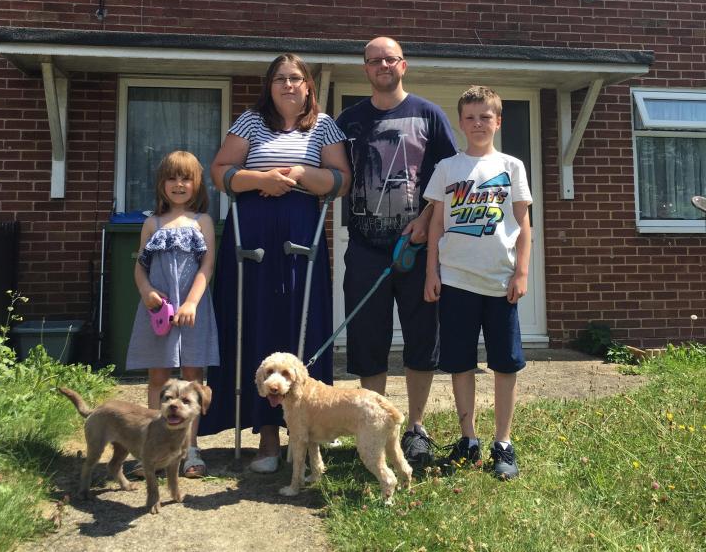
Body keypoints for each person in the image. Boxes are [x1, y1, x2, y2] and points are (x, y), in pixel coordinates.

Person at [201, 53, 351, 472]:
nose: (288, 85)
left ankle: (310, 431)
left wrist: (302, 173)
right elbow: (221, 172)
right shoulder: (250, 122)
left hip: (301, 231)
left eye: (296, 78)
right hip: (253, 233)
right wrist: (262, 180)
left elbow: (340, 180)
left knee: (301, 323)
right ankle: (267, 436)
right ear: (270, 86)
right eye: (280, 79)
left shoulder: (324, 126)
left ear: (308, 86)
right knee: (257, 323)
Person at [336, 36, 457, 469]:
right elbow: (334, 174)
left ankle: (416, 429)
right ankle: (374, 426)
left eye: (390, 58)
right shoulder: (347, 120)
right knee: (369, 343)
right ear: (365, 69)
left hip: (418, 250)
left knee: (422, 339)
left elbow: (449, 180)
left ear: (403, 65)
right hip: (366, 250)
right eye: (374, 60)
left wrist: (426, 221)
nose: (383, 65)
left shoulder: (429, 114)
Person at [424, 85, 532, 479]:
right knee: (460, 363)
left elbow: (523, 225)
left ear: (498, 121)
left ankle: (502, 443)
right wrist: (431, 271)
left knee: (505, 364)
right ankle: (468, 440)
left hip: (500, 283)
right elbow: (436, 224)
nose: (477, 123)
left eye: (485, 116)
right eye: (470, 117)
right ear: (460, 123)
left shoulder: (512, 167)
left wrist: (521, 272)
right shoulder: (448, 169)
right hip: (455, 281)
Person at [126, 150, 219, 478]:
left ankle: (189, 448)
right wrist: (147, 292)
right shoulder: (152, 223)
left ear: (197, 184)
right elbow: (141, 268)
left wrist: (192, 302)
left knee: (193, 377)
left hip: (192, 310)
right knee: (158, 378)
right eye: (172, 177)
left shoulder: (202, 222)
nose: (179, 184)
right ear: (161, 183)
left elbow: (207, 266)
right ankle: (155, 447)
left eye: (186, 178)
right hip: (159, 313)